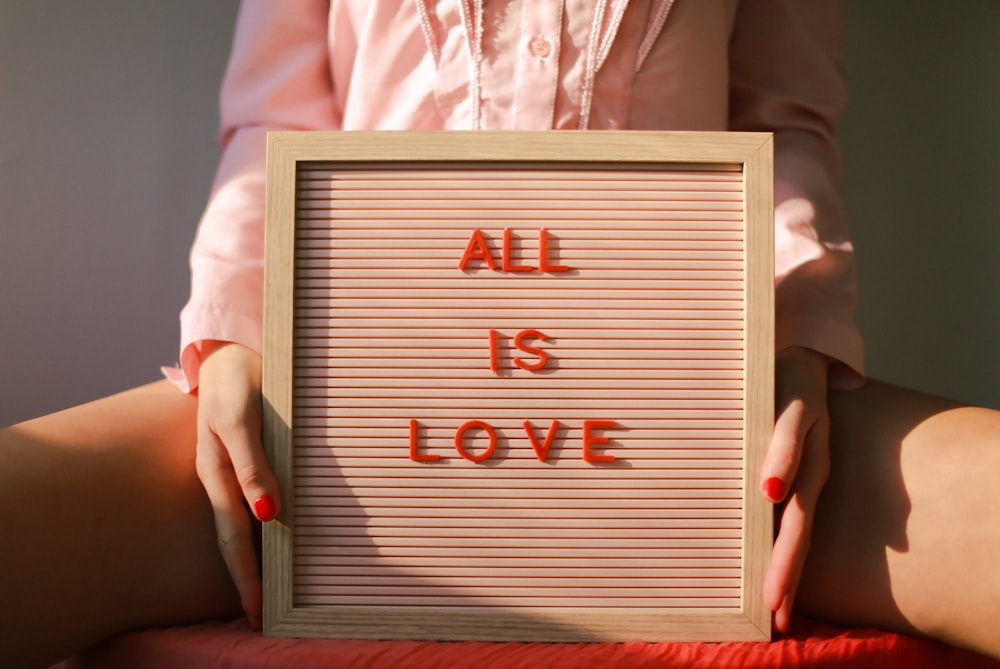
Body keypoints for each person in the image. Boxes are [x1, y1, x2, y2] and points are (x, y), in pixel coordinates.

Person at [1, 2, 997, 668]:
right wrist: (235, 339)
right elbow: (268, 124)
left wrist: (795, 338)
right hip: (348, 416)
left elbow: (786, 121)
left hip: (687, 423)